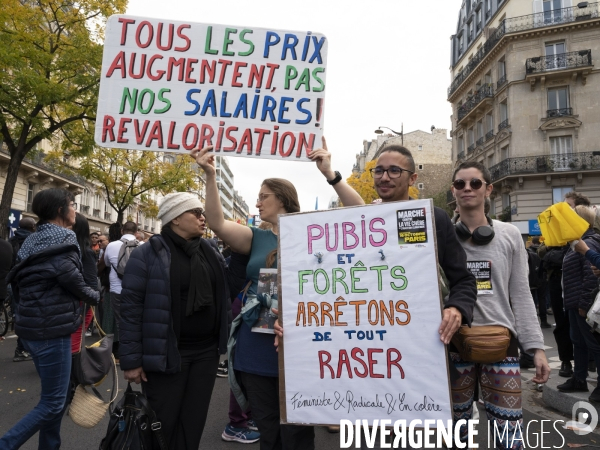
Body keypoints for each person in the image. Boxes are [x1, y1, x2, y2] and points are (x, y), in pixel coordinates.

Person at [193, 141, 365, 450]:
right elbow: (217, 223)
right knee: (268, 428)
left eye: (263, 196)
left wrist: (330, 174)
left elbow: (360, 215)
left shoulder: (313, 230)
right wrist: (209, 174)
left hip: (299, 344)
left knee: (297, 431)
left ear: (283, 198)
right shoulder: (255, 237)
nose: (258, 203)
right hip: (256, 344)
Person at [308, 142, 478, 342]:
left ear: (412, 179)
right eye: (378, 171)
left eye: (394, 171)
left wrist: (456, 308)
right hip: (368, 342)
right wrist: (329, 172)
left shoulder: (432, 218)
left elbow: (464, 280)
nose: (384, 177)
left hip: (423, 342)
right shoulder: (366, 221)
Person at [120, 192, 248, 449]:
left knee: (193, 422)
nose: (203, 219)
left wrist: (240, 251)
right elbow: (131, 309)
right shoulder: (147, 254)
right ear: (176, 219)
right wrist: (131, 360)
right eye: (197, 213)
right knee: (162, 424)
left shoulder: (210, 250)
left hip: (206, 354)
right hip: (167, 355)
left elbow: (229, 288)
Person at [449, 161, 549, 448]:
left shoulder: (509, 235)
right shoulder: (443, 237)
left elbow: (521, 293)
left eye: (475, 183)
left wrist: (536, 348)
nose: (467, 189)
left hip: (502, 344)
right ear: (453, 191)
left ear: (488, 189)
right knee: (457, 432)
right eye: (460, 184)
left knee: (509, 433)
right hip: (454, 345)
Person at [0, 189, 99, 450]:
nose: (75, 209)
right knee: (55, 401)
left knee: (52, 397)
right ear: (60, 211)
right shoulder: (64, 240)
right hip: (51, 330)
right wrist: (96, 295)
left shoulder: (33, 240)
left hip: (33, 327)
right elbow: (75, 282)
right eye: (72, 205)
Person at [557, 205, 600, 401]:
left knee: (593, 344)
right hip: (574, 302)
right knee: (579, 343)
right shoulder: (576, 243)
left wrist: (584, 304)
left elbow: (590, 276)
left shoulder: (588, 243)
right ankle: (579, 378)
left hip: (582, 304)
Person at [104, 220, 138, 362]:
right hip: (136, 290)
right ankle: (134, 351)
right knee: (135, 321)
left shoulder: (111, 245)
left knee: (120, 322)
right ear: (136, 232)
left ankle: (123, 353)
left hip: (116, 290)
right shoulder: (142, 246)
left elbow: (106, 263)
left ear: (122, 231)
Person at [7, 218, 36, 362]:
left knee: (20, 314)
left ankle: (22, 348)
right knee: (28, 316)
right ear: (32, 227)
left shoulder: (12, 240)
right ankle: (23, 348)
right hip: (28, 282)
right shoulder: (32, 240)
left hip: (14, 283)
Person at [71, 213, 99, 352]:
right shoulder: (73, 248)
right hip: (74, 303)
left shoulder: (86, 252)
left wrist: (84, 309)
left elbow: (92, 283)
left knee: (74, 343)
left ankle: (74, 371)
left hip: (82, 304)